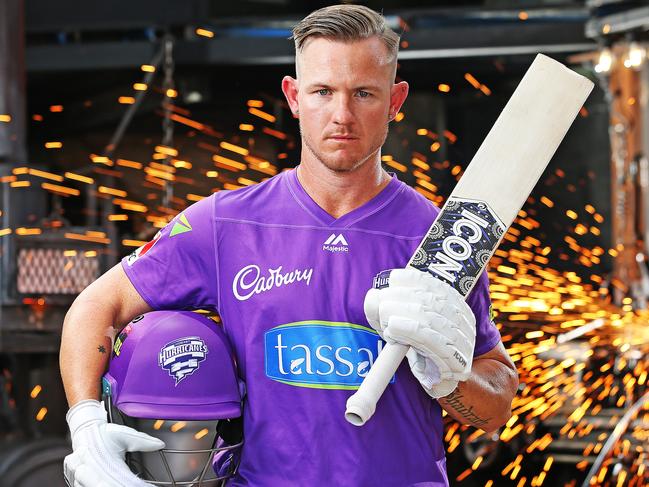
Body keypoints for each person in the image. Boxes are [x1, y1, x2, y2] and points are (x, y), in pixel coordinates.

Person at [60, 4, 518, 486]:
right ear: (294, 96)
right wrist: (87, 426)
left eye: (364, 93)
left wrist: (448, 376)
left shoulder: (439, 237)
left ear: (395, 100)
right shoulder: (224, 223)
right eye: (323, 92)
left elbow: (495, 405)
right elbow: (96, 305)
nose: (342, 115)